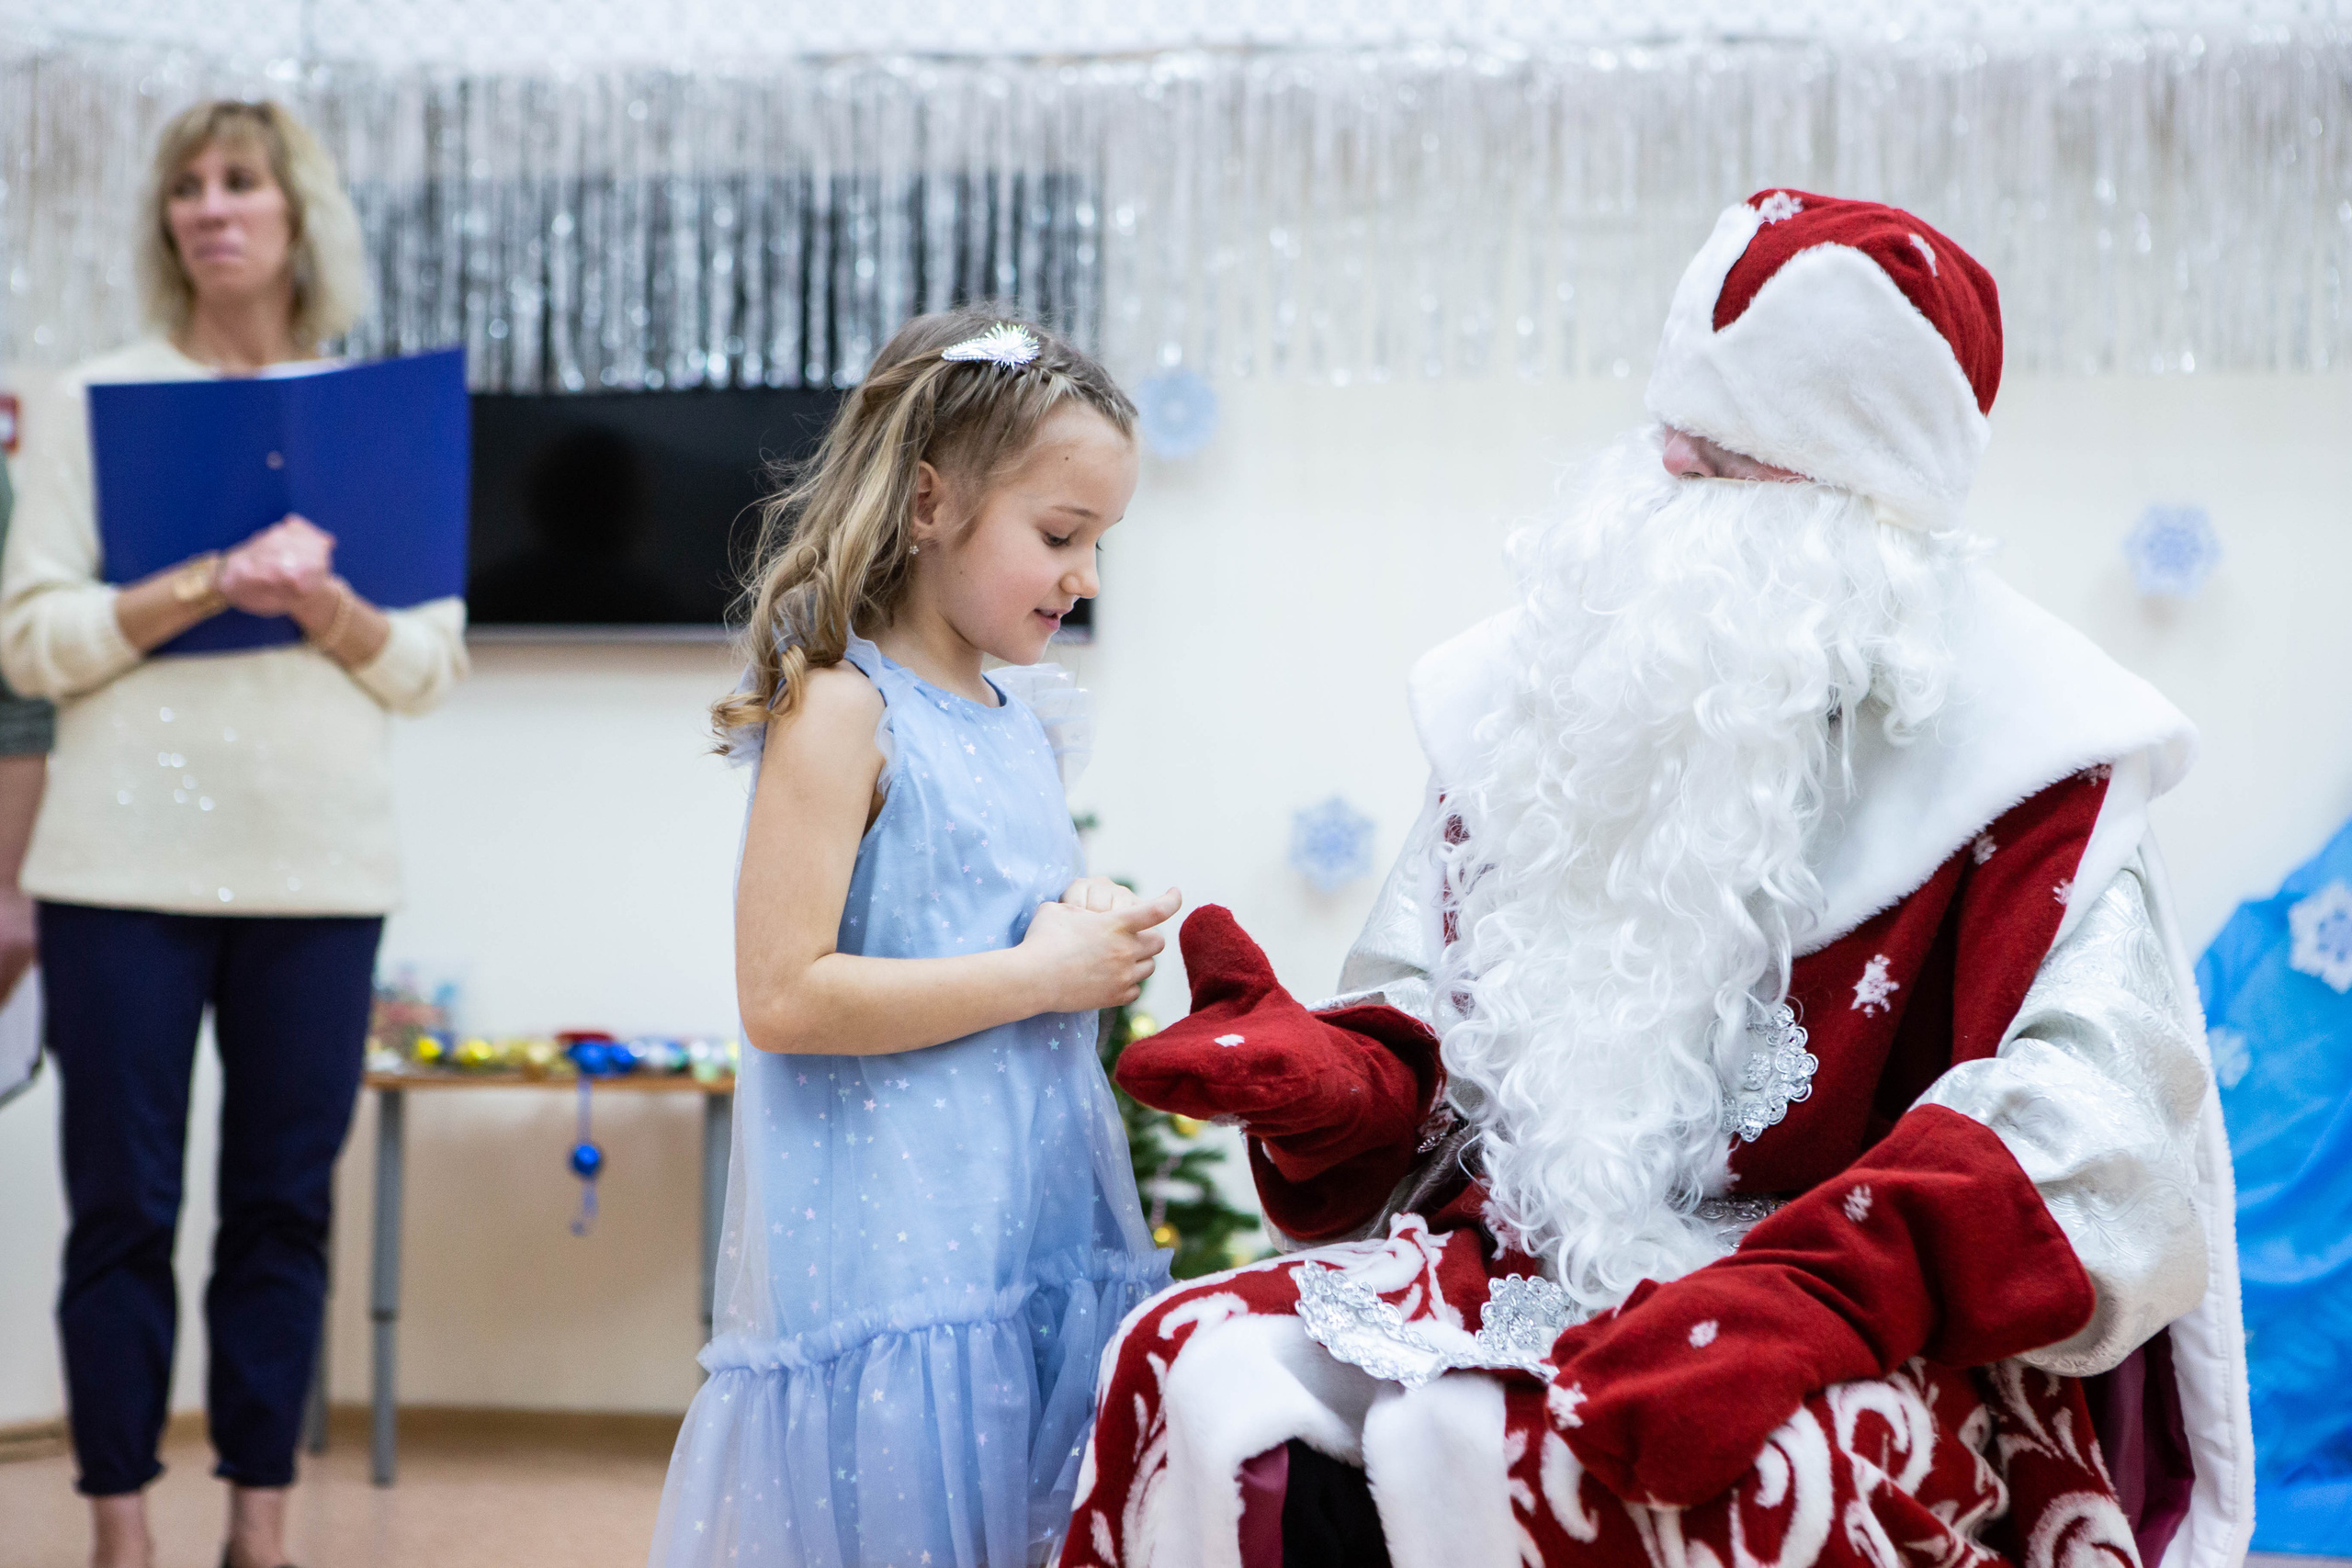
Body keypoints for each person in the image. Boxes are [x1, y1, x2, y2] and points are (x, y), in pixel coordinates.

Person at [1061, 192, 2252, 1568]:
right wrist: (1352, 1090)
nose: (1665, 502)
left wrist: (1817, 1287)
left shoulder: (2032, 758)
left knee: (1547, 1457)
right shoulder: (1553, 690)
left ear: (1855, 522)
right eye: (1668, 451)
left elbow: (2103, 1135)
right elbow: (1444, 1017)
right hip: (1533, 1262)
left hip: (1858, 1317)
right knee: (1183, 1360)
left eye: (1722, 472)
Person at [1, 100, 468, 1568]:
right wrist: (209, 577)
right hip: (113, 872)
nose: (212, 208)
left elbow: (427, 665)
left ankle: (259, 1531)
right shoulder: (89, 401)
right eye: (188, 187)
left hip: (318, 876)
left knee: (280, 1213)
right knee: (121, 1211)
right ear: (168, 225)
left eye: (241, 182)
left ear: (294, 213)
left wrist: (320, 603)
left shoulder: (378, 408)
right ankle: (120, 1531)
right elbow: (31, 645)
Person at [647, 307, 1180, 1568]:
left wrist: (1080, 920)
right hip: (900, 1266)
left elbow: (1000, 921)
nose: (1084, 577)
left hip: (1028, 1229)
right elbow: (784, 995)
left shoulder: (1024, 719)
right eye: (1060, 536)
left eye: (1100, 543)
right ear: (930, 503)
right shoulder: (841, 709)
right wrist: (1039, 971)